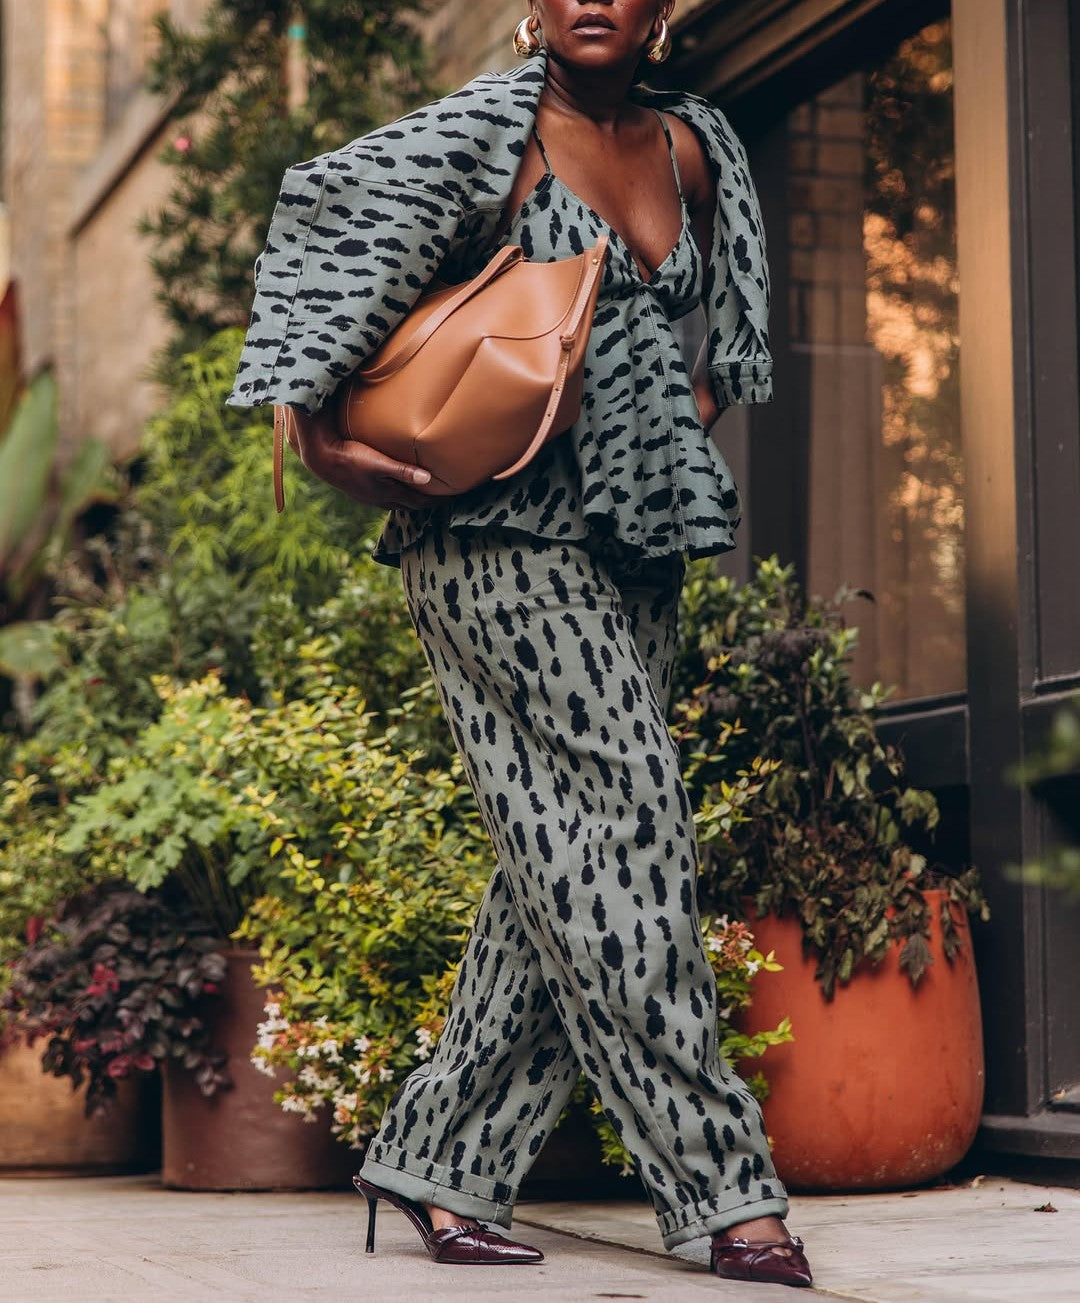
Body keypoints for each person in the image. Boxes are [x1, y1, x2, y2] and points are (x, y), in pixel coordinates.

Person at [227, 0, 813, 1288]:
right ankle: (721, 1187)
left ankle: (440, 1159)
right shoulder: (484, 136)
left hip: (635, 545)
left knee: (563, 858)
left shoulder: (697, 147)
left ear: (668, 10)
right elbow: (325, 236)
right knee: (630, 817)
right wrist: (320, 437)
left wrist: (665, 440)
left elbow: (719, 344)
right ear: (532, 7)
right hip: (488, 539)